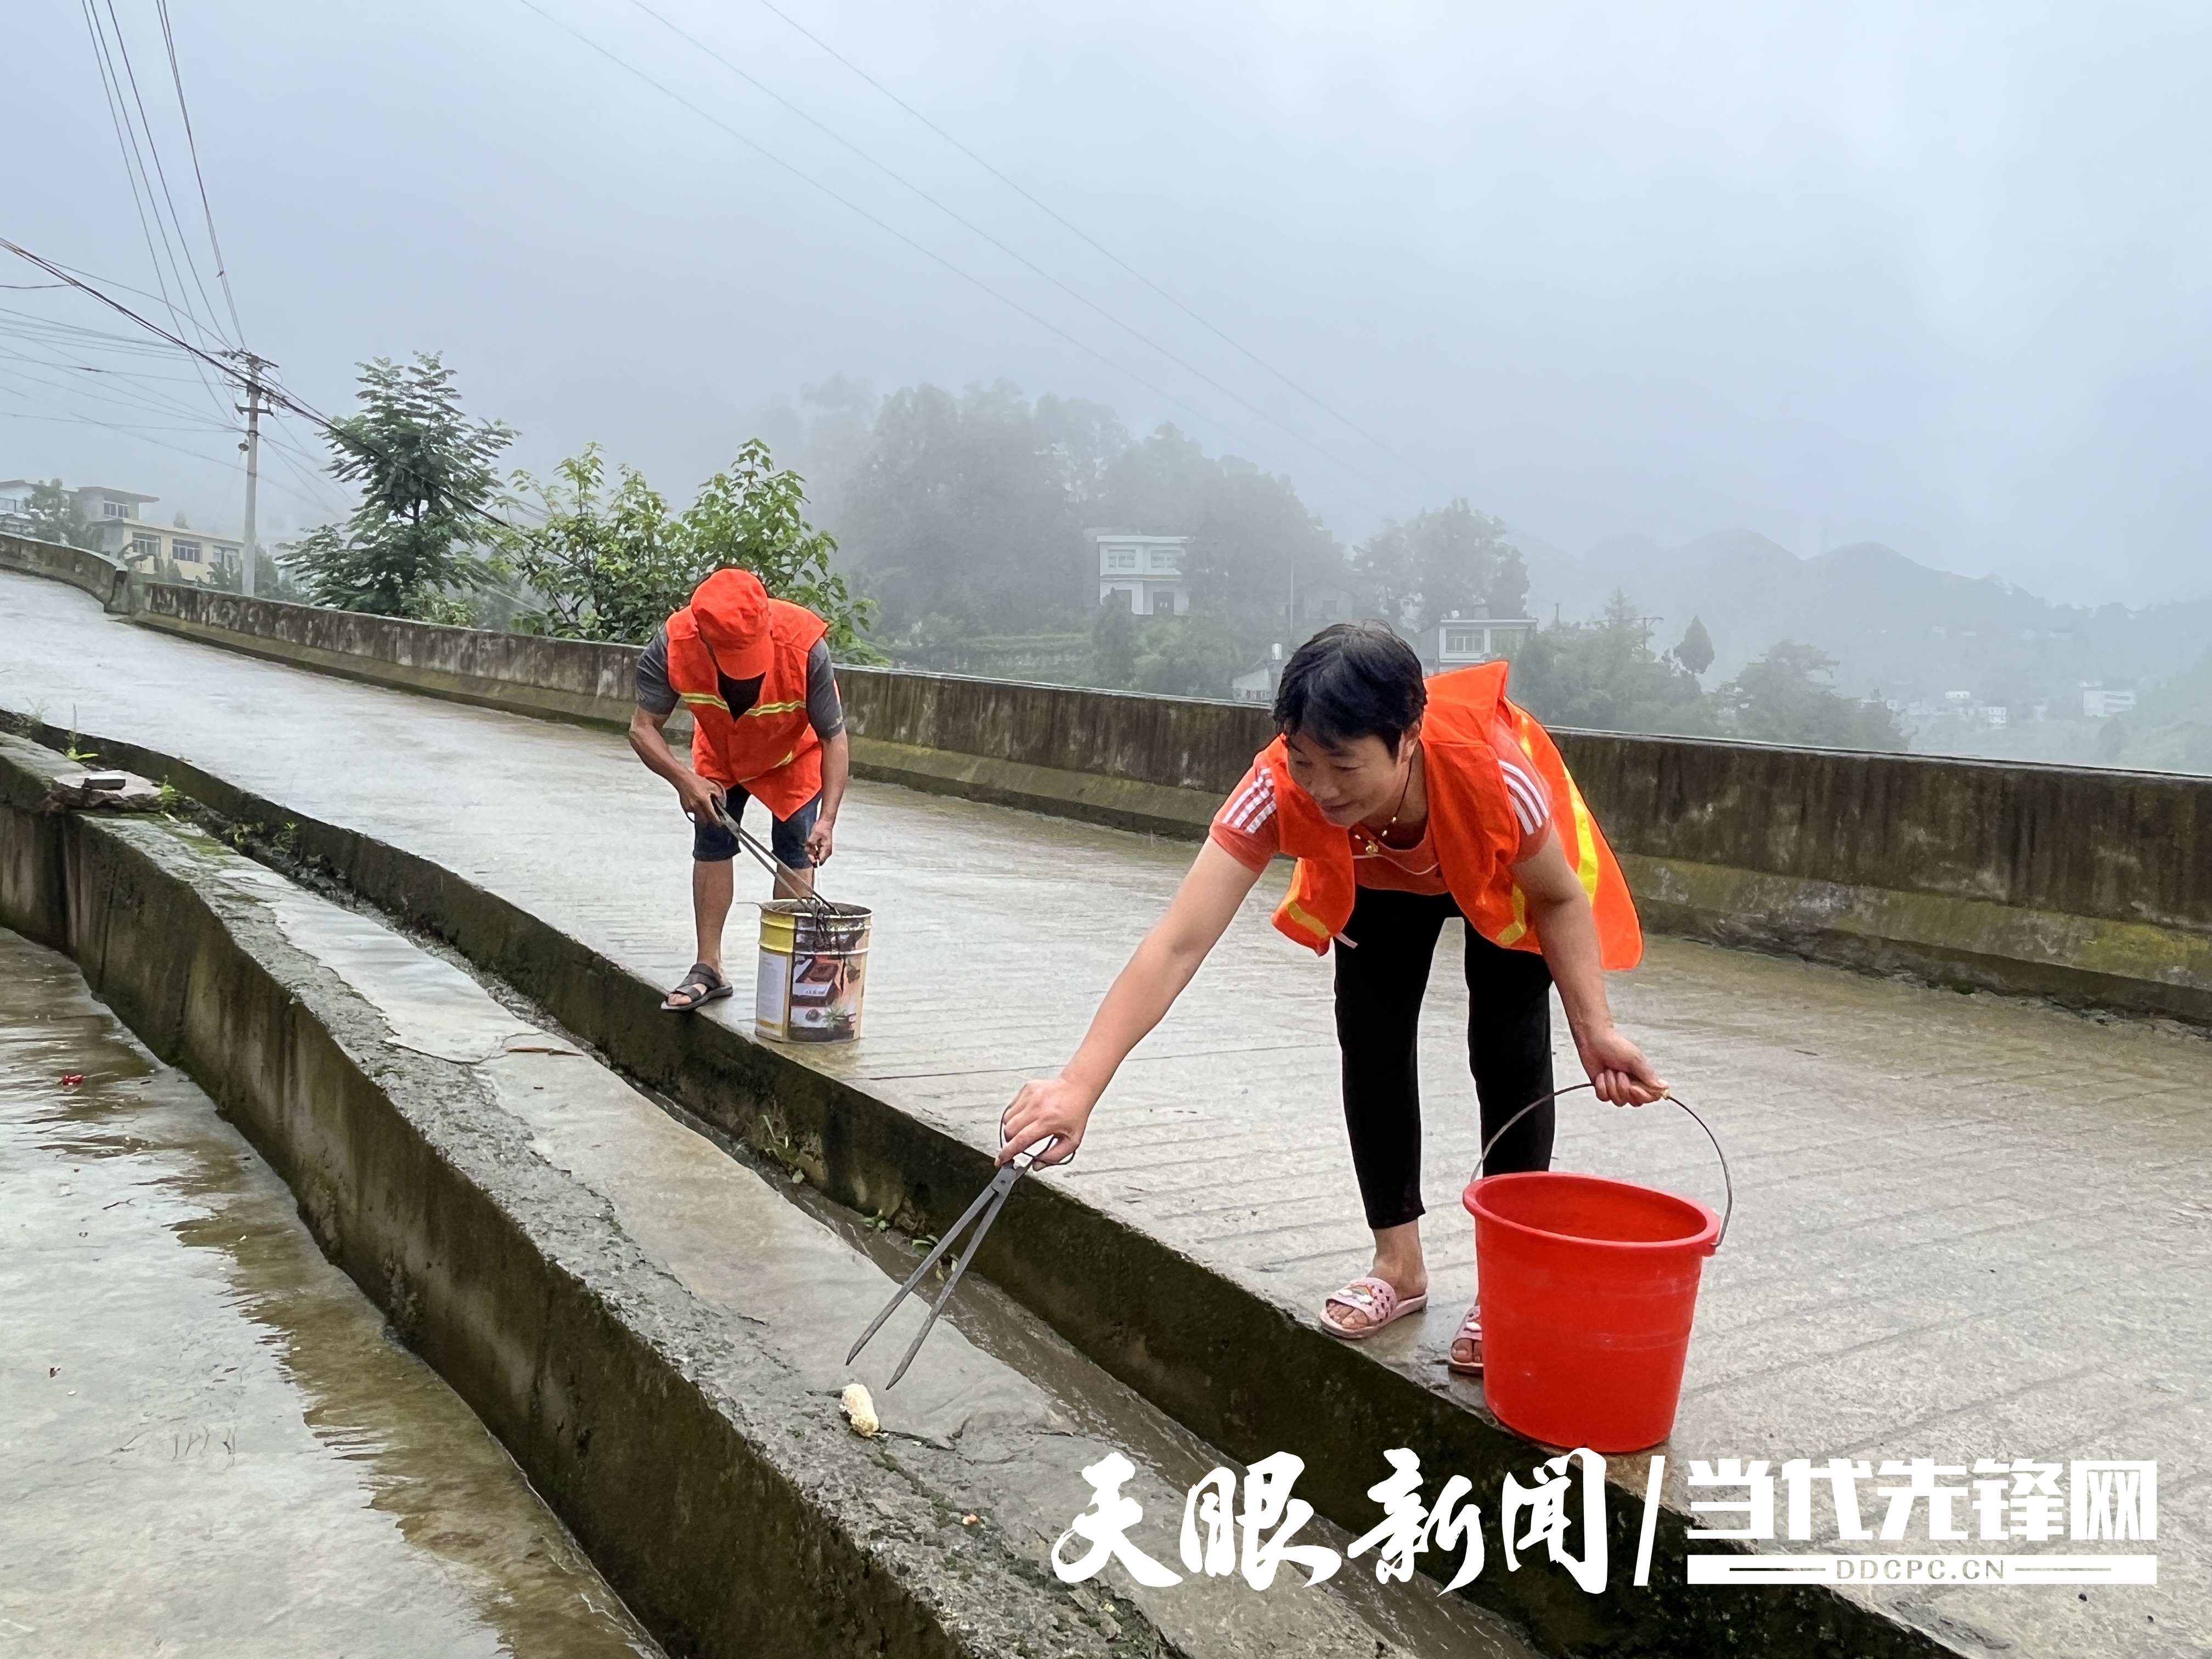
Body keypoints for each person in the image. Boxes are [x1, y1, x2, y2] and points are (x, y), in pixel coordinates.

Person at [998, 622, 1663, 1373]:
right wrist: (1079, 1083)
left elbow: (1560, 898)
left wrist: (1595, 1027)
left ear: (1407, 738)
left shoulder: (1496, 774)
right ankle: (1399, 1267)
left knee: (1507, 1047)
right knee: (1372, 1040)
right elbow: (1178, 941)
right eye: (1305, 760)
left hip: (1493, 868)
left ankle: (1505, 1286)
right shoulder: (1279, 786)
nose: (1320, 787)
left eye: (1343, 763)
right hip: (1377, 872)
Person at [628, 567, 850, 1012]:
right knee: (712, 843)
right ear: (703, 635)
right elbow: (641, 728)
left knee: (794, 848)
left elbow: (834, 738)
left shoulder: (805, 644)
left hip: (791, 758)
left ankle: (789, 976)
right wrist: (683, 778)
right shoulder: (674, 642)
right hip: (722, 754)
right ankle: (708, 967)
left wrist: (827, 819)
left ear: (766, 621)